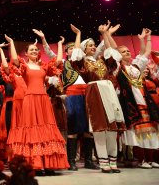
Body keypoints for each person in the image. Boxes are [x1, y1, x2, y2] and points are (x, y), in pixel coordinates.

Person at [35, 27, 100, 170]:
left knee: (88, 128)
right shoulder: (63, 63)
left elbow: (80, 52)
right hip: (73, 94)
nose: (73, 50)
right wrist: (44, 39)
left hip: (86, 94)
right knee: (73, 127)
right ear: (66, 52)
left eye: (74, 48)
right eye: (69, 48)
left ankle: (88, 160)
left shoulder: (82, 64)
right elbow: (49, 52)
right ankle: (71, 161)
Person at [4, 34, 69, 173]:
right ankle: (36, 163)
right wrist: (11, 43)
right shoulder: (24, 66)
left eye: (35, 50)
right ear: (26, 54)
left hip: (43, 100)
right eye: (31, 50)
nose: (34, 51)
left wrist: (59, 44)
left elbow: (58, 61)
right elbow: (15, 59)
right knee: (32, 129)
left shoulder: (43, 67)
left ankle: (49, 164)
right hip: (30, 99)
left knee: (47, 128)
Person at [70, 21, 126, 173]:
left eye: (94, 45)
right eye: (89, 45)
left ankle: (113, 161)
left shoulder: (102, 61)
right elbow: (75, 54)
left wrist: (106, 34)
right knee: (100, 128)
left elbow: (113, 52)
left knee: (112, 128)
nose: (93, 47)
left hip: (109, 92)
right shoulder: (83, 64)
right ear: (84, 49)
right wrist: (78, 34)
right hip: (94, 92)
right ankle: (104, 162)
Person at [117, 28, 159, 168]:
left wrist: (146, 38)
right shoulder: (119, 68)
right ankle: (141, 160)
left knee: (151, 132)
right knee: (139, 134)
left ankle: (151, 159)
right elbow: (112, 49)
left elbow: (145, 53)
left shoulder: (135, 67)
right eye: (124, 52)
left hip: (144, 101)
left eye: (128, 51)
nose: (128, 52)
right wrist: (107, 35)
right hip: (132, 104)